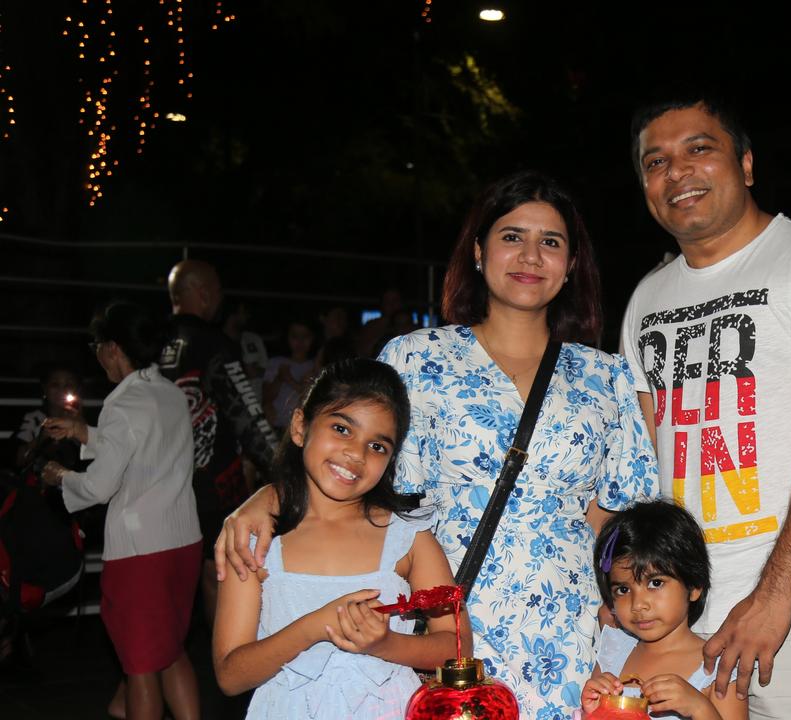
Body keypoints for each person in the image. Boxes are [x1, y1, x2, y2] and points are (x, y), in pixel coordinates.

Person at [218, 170, 659, 718]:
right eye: (511, 236)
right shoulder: (414, 360)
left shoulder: (605, 377)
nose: (530, 255)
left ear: (571, 266)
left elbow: (612, 515)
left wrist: (614, 609)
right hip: (438, 628)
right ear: (478, 251)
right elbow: (353, 466)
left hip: (565, 631)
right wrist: (265, 499)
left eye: (551, 242)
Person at [620, 95, 791, 718]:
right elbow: (646, 457)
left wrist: (775, 595)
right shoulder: (647, 297)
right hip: (679, 605)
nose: (677, 171)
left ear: (745, 164)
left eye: (698, 149)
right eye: (655, 161)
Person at [212, 358, 467, 718]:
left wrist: (386, 643)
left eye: (377, 446)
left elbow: (456, 645)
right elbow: (230, 675)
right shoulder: (258, 539)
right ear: (300, 427)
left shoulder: (408, 537)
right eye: (342, 429)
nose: (356, 454)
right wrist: (314, 627)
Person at [39, 301, 202, 720]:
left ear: (113, 348)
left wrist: (59, 476)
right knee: (170, 653)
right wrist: (85, 433)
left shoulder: (121, 404)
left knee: (141, 669)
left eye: (97, 346)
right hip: (183, 543)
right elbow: (142, 448)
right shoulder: (170, 393)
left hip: (140, 552)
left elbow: (99, 486)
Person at [160, 259, 277, 624]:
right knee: (218, 572)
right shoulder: (213, 344)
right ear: (204, 292)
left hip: (159, 485)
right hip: (213, 483)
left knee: (168, 580)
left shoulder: (150, 342)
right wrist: (283, 465)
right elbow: (245, 412)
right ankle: (224, 666)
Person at [582, 500, 747, 720]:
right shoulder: (614, 652)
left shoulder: (717, 670)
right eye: (623, 589)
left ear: (694, 585)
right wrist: (593, 712)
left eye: (655, 583)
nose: (638, 604)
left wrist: (700, 708)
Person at [12, 365, 83, 469]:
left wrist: (79, 425)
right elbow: (20, 460)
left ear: (77, 389)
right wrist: (43, 437)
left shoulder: (81, 420)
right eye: (55, 384)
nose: (62, 389)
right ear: (44, 389)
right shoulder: (34, 418)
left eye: (69, 384)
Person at [263, 319, 317, 431]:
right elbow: (266, 397)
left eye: (305, 336)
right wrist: (279, 378)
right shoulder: (276, 362)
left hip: (301, 430)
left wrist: (290, 380)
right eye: (295, 336)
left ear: (312, 338)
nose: (300, 341)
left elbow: (313, 400)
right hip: (275, 427)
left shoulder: (315, 365)